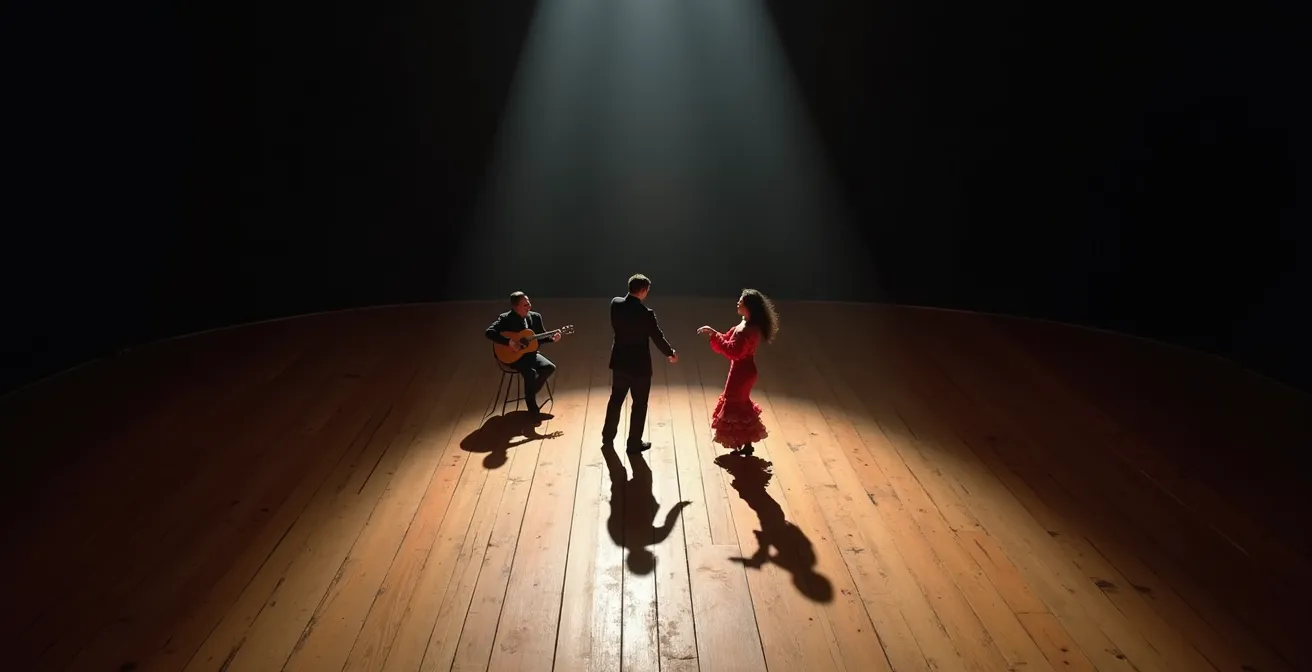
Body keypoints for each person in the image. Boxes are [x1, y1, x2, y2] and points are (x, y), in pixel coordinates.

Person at [696, 289, 778, 456]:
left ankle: (744, 443)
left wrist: (714, 334)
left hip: (742, 373)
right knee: (738, 404)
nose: (738, 303)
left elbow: (733, 351)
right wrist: (714, 333)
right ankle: (745, 444)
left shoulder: (749, 329)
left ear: (749, 306)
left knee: (735, 404)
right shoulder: (744, 324)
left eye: (741, 301)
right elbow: (728, 340)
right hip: (740, 370)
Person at [602, 274, 677, 452]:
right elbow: (657, 337)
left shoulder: (616, 304)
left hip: (620, 362)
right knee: (639, 404)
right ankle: (633, 443)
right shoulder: (646, 314)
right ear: (643, 291)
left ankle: (607, 436)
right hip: (639, 367)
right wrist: (670, 353)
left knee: (616, 400)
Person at [485, 292, 563, 420]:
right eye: (525, 305)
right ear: (515, 307)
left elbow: (539, 338)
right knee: (530, 372)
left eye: (529, 303)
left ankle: (530, 393)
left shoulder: (535, 317)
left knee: (550, 367)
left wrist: (552, 339)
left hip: (529, 354)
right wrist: (509, 342)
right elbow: (489, 332)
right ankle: (532, 406)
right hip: (512, 357)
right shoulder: (505, 319)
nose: (529, 307)